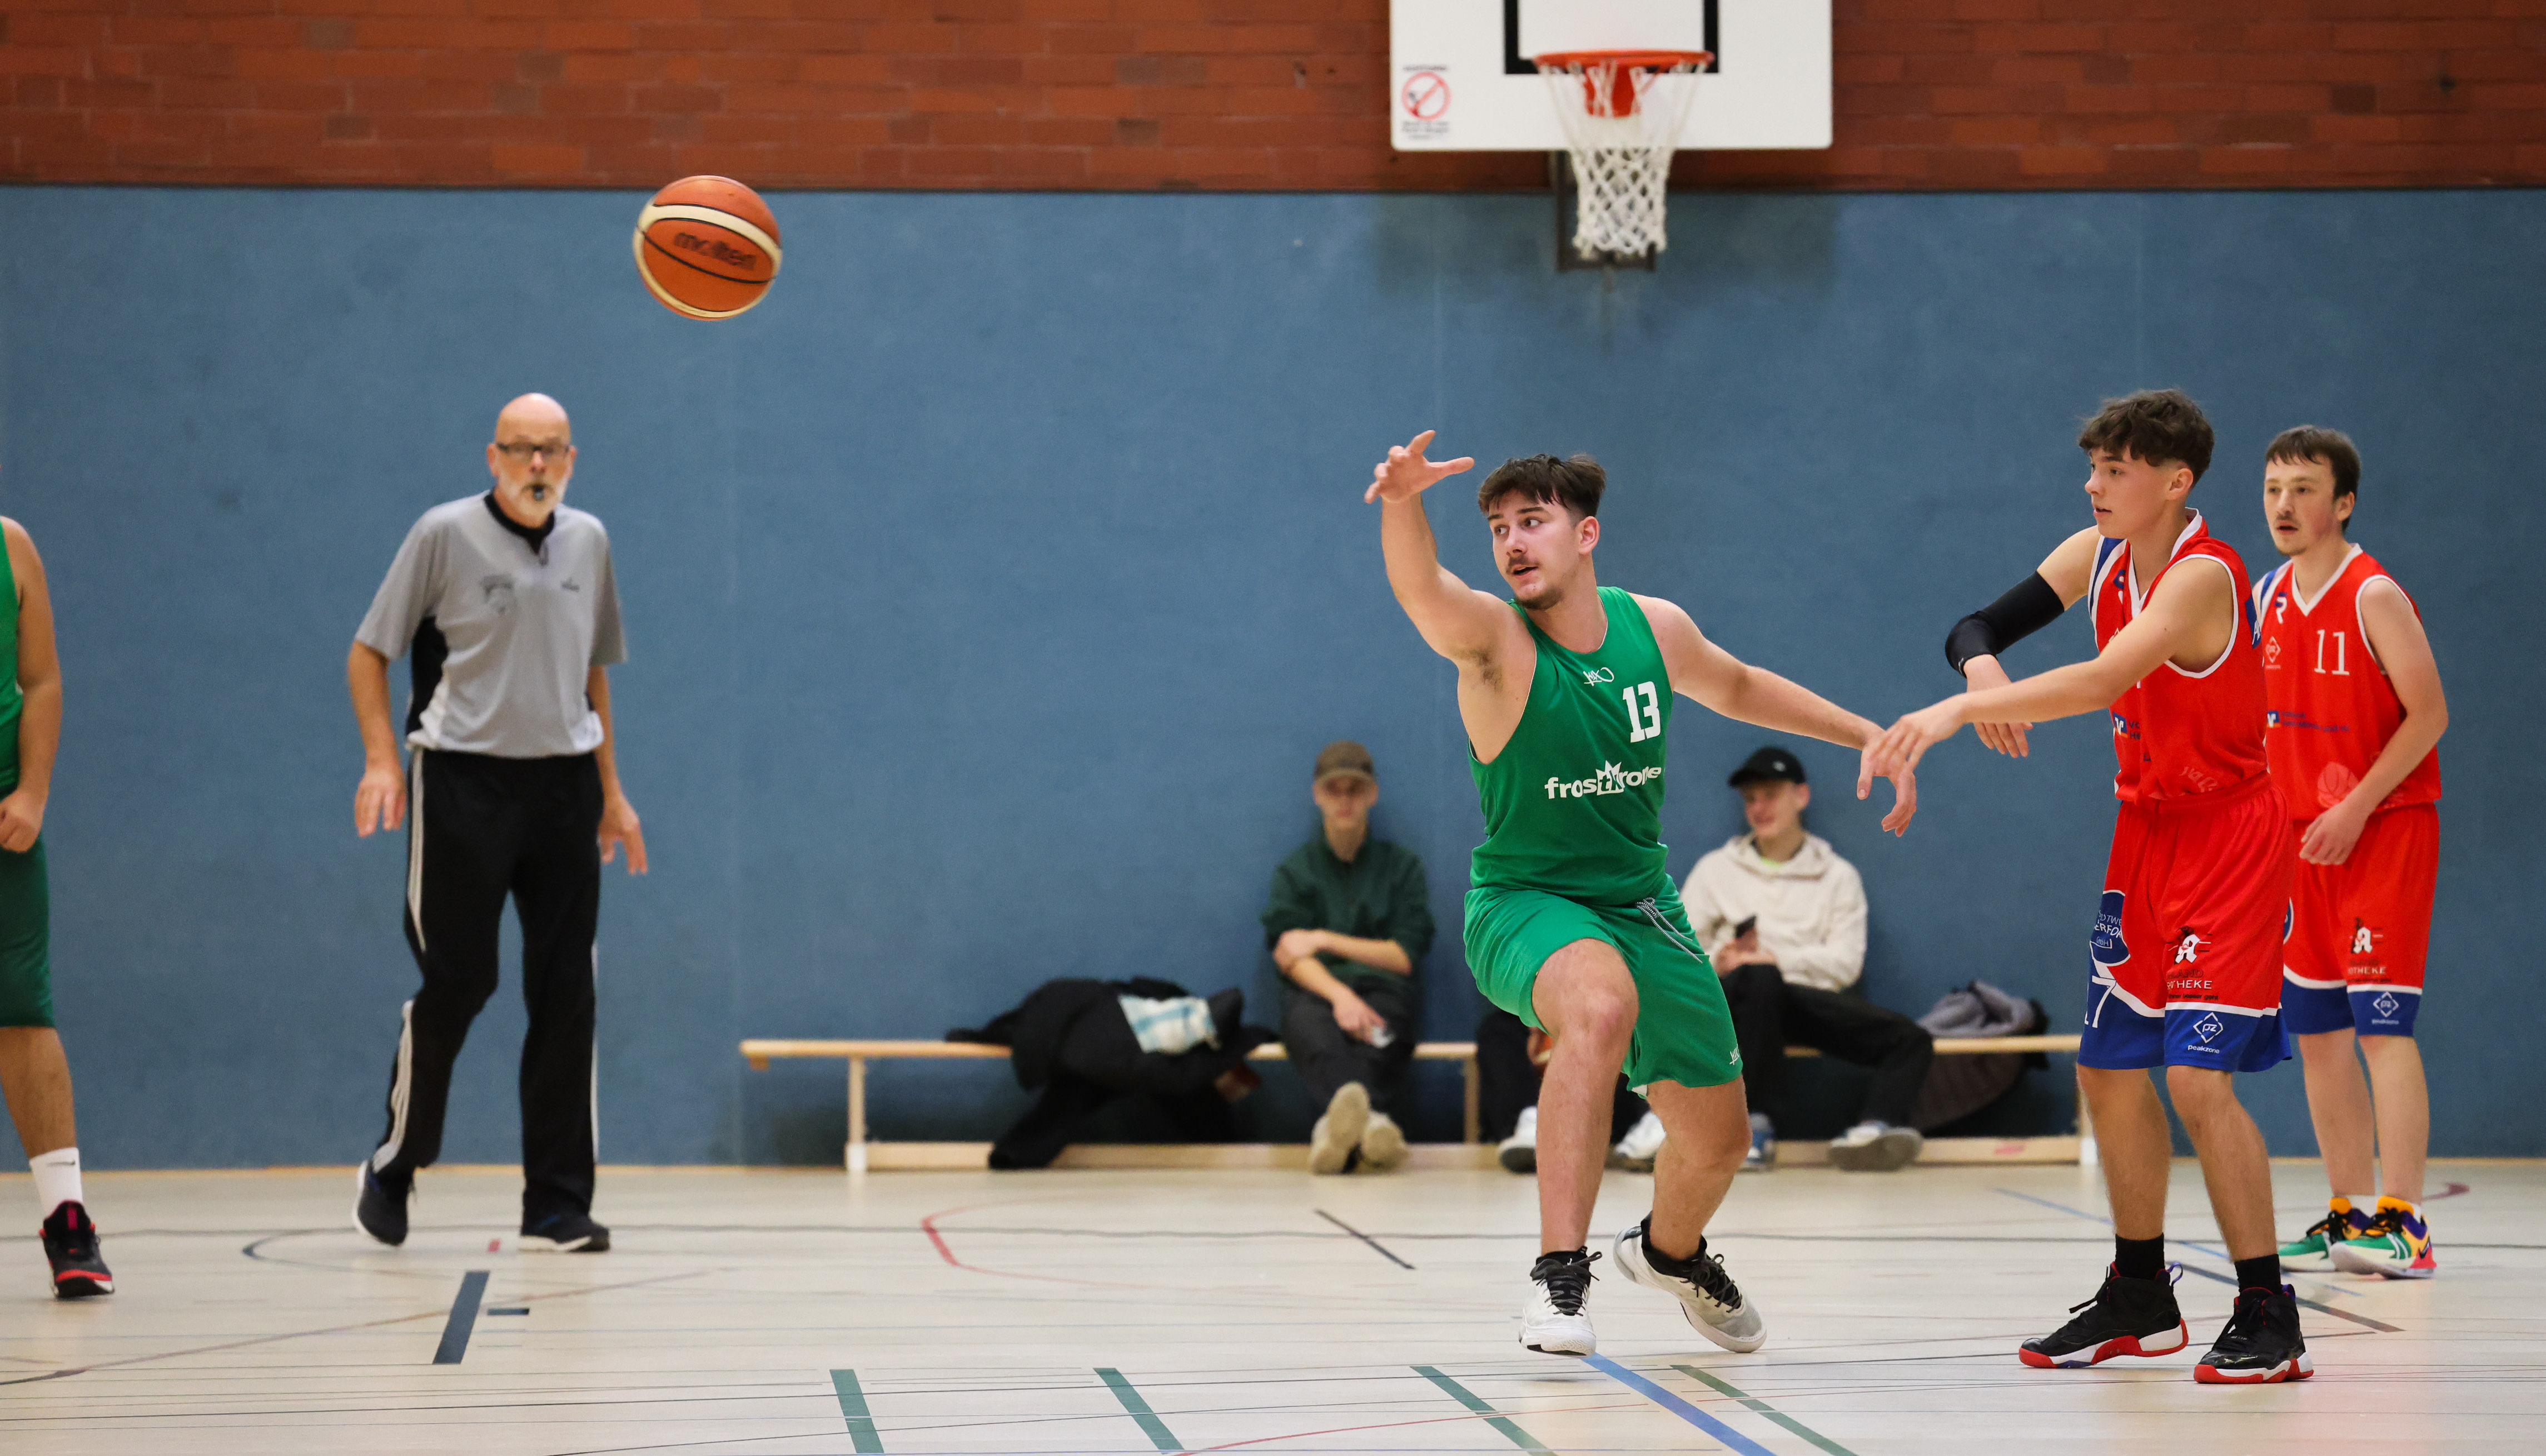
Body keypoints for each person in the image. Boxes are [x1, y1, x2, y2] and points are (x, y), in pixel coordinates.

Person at [1365, 435, 1916, 1357]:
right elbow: (1422, 590)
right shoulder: (1496, 641)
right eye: (1498, 528)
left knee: (1719, 1140)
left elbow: (1738, 685)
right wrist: (1400, 503)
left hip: (1641, 903)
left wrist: (1865, 734)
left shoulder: (1652, 629)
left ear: (1586, 535)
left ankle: (1669, 1252)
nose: (1512, 542)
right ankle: (1558, 1276)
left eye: (1532, 522)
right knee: (1600, 1004)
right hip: (1527, 903)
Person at [1871, 388, 2309, 1384]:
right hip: (2144, 837)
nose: (2094, 484)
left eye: (2116, 470)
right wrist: (1982, 677)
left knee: (2197, 1080)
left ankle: (2268, 1309)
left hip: (2231, 839)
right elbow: (1974, 625)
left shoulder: (2201, 576)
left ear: (2176, 481)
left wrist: (1950, 714)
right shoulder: (2095, 553)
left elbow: (2105, 680)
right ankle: (2142, 1294)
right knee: (2107, 1070)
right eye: (2094, 467)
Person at [347, 393, 645, 1254]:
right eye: (521, 449)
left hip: (564, 788)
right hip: (463, 783)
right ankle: (396, 1164)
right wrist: (381, 760)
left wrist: (612, 791)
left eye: (551, 450)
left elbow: (592, 670)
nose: (536, 465)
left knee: (566, 990)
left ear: (572, 459)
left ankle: (555, 1202)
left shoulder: (590, 541)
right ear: (493, 457)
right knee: (460, 980)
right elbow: (369, 652)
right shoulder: (442, 534)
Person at [2254, 427, 2446, 1280]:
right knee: (2320, 1034)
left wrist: (2356, 806)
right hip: (2301, 841)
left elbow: (2431, 715)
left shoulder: (2373, 594)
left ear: (2343, 503)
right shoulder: (2264, 597)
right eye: (2273, 489)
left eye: (2303, 489)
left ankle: (2406, 1222)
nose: (2284, 505)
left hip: (2383, 829)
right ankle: (2348, 1211)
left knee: (2381, 1028)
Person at [1684, 745, 1935, 1173]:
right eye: (1750, 799)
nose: (1759, 808)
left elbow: (1845, 963)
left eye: (1771, 795)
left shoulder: (1838, 876)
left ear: (1801, 796)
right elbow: (1680, 955)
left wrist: (1775, 959)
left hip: (1804, 999)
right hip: (1734, 999)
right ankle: (1753, 1126)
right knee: (1757, 978)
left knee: (1912, 1039)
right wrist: (1720, 962)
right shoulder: (1714, 870)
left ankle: (1873, 1130)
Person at [0, 513, 112, 1298]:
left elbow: (41, 679)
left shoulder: (11, 547)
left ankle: (67, 1221)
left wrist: (33, 793)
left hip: (5, 820)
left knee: (23, 1011)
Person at [1262, 740, 1435, 1175]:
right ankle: (1371, 1124)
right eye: (1333, 789)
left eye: (1354, 789)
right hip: (1316, 994)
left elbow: (1403, 956)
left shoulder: (1402, 868)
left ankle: (1333, 1133)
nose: (1344, 800)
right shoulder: (1295, 871)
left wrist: (1323, 938)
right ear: (1317, 795)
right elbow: (1288, 955)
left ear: (1372, 793)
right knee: (1312, 1032)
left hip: (1386, 992)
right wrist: (1340, 996)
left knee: (1382, 1038)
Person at [1478, 1008, 1660, 1174]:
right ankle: (1533, 1127)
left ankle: (1656, 1125)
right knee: (1498, 1027)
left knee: (1651, 1020)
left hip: (1614, 1108)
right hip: (1546, 1097)